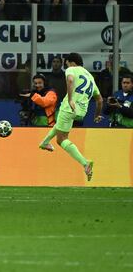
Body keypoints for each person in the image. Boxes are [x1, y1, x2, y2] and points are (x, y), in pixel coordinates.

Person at [38, 53, 103, 181]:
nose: (65, 65)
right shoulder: (90, 77)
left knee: (61, 140)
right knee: (61, 125)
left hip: (69, 107)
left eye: (66, 63)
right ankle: (44, 142)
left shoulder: (71, 69)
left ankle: (85, 163)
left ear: (70, 62)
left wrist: (71, 99)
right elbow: (100, 100)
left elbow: (70, 80)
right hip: (81, 112)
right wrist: (96, 116)